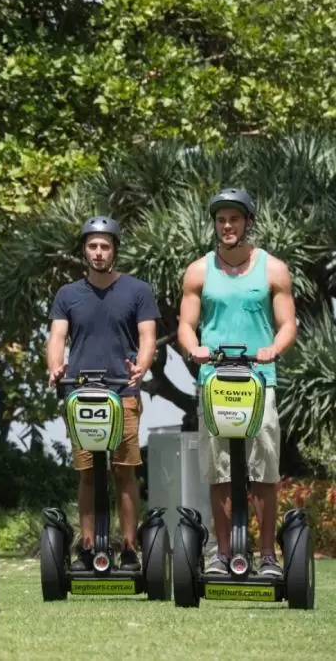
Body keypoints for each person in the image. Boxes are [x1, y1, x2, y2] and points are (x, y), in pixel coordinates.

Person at [178, 188, 296, 578]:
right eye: (221, 220)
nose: (227, 226)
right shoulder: (198, 271)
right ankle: (222, 553)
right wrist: (194, 348)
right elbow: (185, 326)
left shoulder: (273, 269)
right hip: (215, 380)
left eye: (234, 219)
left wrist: (272, 349)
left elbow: (287, 325)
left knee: (263, 468)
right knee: (219, 470)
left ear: (248, 222)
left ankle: (266, 556)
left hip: (260, 380)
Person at [46, 216, 159, 573]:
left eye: (104, 246)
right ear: (84, 251)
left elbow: (148, 338)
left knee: (124, 471)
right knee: (88, 472)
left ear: (115, 250)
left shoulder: (137, 291)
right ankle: (89, 546)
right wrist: (55, 366)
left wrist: (142, 366)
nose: (98, 253)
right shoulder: (68, 294)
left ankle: (128, 548)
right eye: (92, 246)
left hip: (122, 391)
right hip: (81, 394)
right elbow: (57, 338)